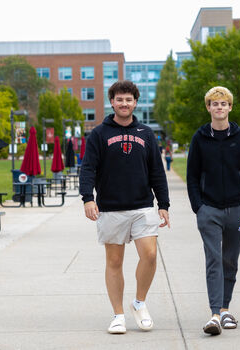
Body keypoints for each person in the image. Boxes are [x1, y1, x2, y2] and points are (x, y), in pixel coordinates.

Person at [79, 80, 171, 334]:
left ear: (135, 103)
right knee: (114, 261)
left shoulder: (146, 133)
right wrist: (88, 197)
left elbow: (156, 171)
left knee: (150, 255)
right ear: (112, 102)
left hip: (142, 206)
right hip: (110, 208)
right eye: (119, 99)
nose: (124, 103)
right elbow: (88, 168)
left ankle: (139, 303)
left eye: (129, 99)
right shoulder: (99, 133)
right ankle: (118, 315)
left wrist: (163, 204)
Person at [186, 86, 240, 336]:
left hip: (238, 211)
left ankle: (226, 309)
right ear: (208, 108)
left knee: (230, 260)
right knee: (214, 260)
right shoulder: (200, 137)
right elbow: (192, 175)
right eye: (214, 104)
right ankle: (215, 314)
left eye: (223, 104)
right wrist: (199, 207)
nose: (219, 107)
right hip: (209, 210)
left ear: (230, 107)